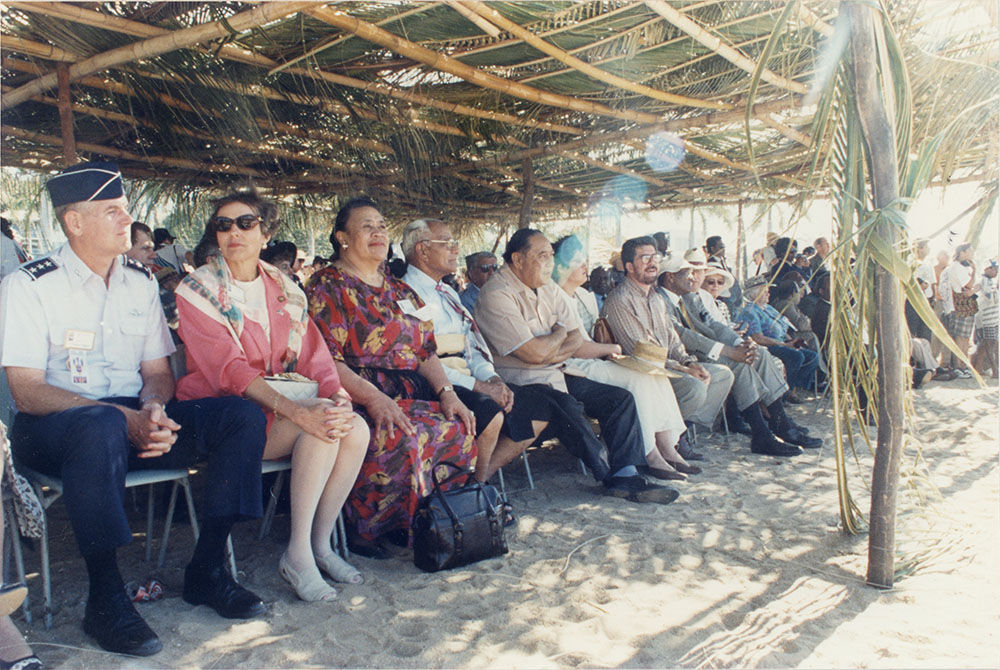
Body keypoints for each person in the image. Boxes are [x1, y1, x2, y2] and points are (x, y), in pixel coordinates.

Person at [0, 162, 267, 657]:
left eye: (126, 209)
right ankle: (105, 598)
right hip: (53, 425)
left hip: (128, 416)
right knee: (101, 423)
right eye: (112, 211)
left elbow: (158, 372)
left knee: (240, 415)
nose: (128, 220)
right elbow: (26, 390)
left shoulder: (140, 282)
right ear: (74, 222)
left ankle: (207, 570)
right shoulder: (29, 286)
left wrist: (153, 410)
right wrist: (125, 419)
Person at [174, 191, 369, 602]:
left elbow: (316, 356)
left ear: (265, 232)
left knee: (354, 427)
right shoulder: (198, 288)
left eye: (245, 223)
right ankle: (297, 554)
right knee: (318, 426)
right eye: (223, 225)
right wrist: (302, 411)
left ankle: (320, 546)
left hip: (277, 409)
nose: (233, 233)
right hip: (227, 416)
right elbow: (228, 371)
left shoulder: (286, 288)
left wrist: (338, 397)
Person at [305, 198, 478, 558]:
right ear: (343, 238)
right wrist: (373, 398)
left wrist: (447, 392)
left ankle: (429, 520)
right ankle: (367, 528)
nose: (378, 232)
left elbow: (426, 350)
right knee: (402, 435)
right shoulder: (328, 285)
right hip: (356, 390)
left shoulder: (400, 290)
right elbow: (327, 359)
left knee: (456, 425)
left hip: (410, 388)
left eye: (382, 225)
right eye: (367, 226)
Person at [475, 228, 678, 504]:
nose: (549, 262)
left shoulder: (548, 288)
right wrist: (558, 336)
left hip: (559, 371)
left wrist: (552, 346)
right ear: (518, 259)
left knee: (619, 399)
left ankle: (627, 469)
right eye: (542, 255)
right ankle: (612, 476)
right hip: (520, 381)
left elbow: (575, 340)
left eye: (551, 255)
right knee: (565, 406)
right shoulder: (497, 293)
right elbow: (534, 352)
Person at [401, 218, 548, 483]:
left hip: (467, 377)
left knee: (538, 409)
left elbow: (470, 348)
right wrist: (478, 386)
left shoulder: (447, 292)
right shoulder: (403, 294)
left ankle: (476, 482)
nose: (456, 249)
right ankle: (477, 491)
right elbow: (421, 357)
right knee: (489, 411)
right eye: (447, 243)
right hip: (433, 382)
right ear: (422, 250)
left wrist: (491, 378)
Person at [552, 235, 694, 479]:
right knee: (641, 377)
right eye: (577, 261)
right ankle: (650, 453)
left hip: (594, 359)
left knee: (653, 374)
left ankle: (668, 447)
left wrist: (605, 350)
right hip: (572, 366)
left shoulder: (584, 296)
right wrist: (610, 348)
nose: (585, 265)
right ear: (560, 266)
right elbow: (575, 348)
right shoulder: (555, 298)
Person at [649, 248, 816, 454]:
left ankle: (780, 421)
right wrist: (727, 351)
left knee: (758, 353)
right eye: (687, 272)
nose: (694, 277)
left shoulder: (690, 298)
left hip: (705, 350)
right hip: (685, 355)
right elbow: (682, 335)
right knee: (738, 363)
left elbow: (714, 325)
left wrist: (739, 343)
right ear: (670, 278)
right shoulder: (659, 300)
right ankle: (762, 433)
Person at [601, 238, 735, 459]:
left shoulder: (656, 298)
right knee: (694, 387)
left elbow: (672, 340)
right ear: (629, 267)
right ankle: (665, 442)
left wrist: (689, 362)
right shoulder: (620, 300)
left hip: (665, 367)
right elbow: (641, 352)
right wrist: (683, 369)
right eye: (645, 258)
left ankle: (677, 433)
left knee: (721, 375)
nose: (652, 262)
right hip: (641, 373)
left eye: (655, 257)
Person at [737, 275, 821, 400]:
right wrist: (784, 345)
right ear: (754, 294)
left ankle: (792, 387)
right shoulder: (750, 311)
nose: (768, 293)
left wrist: (791, 341)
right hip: (766, 346)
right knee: (796, 356)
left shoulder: (769, 308)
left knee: (812, 357)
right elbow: (758, 338)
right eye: (764, 291)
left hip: (782, 343)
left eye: (767, 290)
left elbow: (783, 325)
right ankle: (787, 392)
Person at [941, 244, 977, 378]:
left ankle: (963, 365)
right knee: (961, 337)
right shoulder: (956, 267)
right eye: (970, 251)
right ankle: (958, 366)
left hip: (966, 304)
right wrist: (974, 272)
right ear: (962, 253)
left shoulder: (962, 267)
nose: (972, 253)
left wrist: (973, 290)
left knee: (966, 338)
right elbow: (969, 286)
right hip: (961, 304)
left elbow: (972, 290)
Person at [971, 260, 998, 377]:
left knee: (984, 344)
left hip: (993, 317)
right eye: (993, 269)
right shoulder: (984, 281)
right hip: (987, 318)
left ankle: (977, 368)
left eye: (996, 270)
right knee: (989, 344)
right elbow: (988, 297)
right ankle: (995, 370)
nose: (995, 272)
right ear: (986, 269)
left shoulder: (991, 282)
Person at [704, 235, 742, 311]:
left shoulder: (723, 262)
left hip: (732, 301)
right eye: (721, 246)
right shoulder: (711, 264)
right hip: (723, 299)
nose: (724, 249)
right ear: (713, 248)